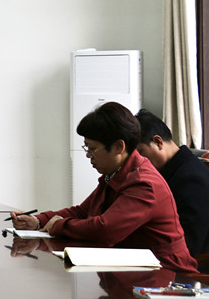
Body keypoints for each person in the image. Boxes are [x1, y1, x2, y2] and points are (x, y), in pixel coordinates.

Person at [10, 102, 197, 274]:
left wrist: (58, 225)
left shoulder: (144, 182)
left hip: (166, 275)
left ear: (118, 147)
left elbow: (105, 230)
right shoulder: (116, 173)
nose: (88, 156)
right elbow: (82, 212)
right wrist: (38, 221)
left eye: (93, 149)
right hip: (134, 266)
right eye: (86, 148)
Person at [135, 109, 209, 256]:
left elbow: (189, 245)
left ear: (158, 142)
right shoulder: (170, 171)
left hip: (190, 262)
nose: (137, 162)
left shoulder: (192, 178)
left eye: (141, 153)